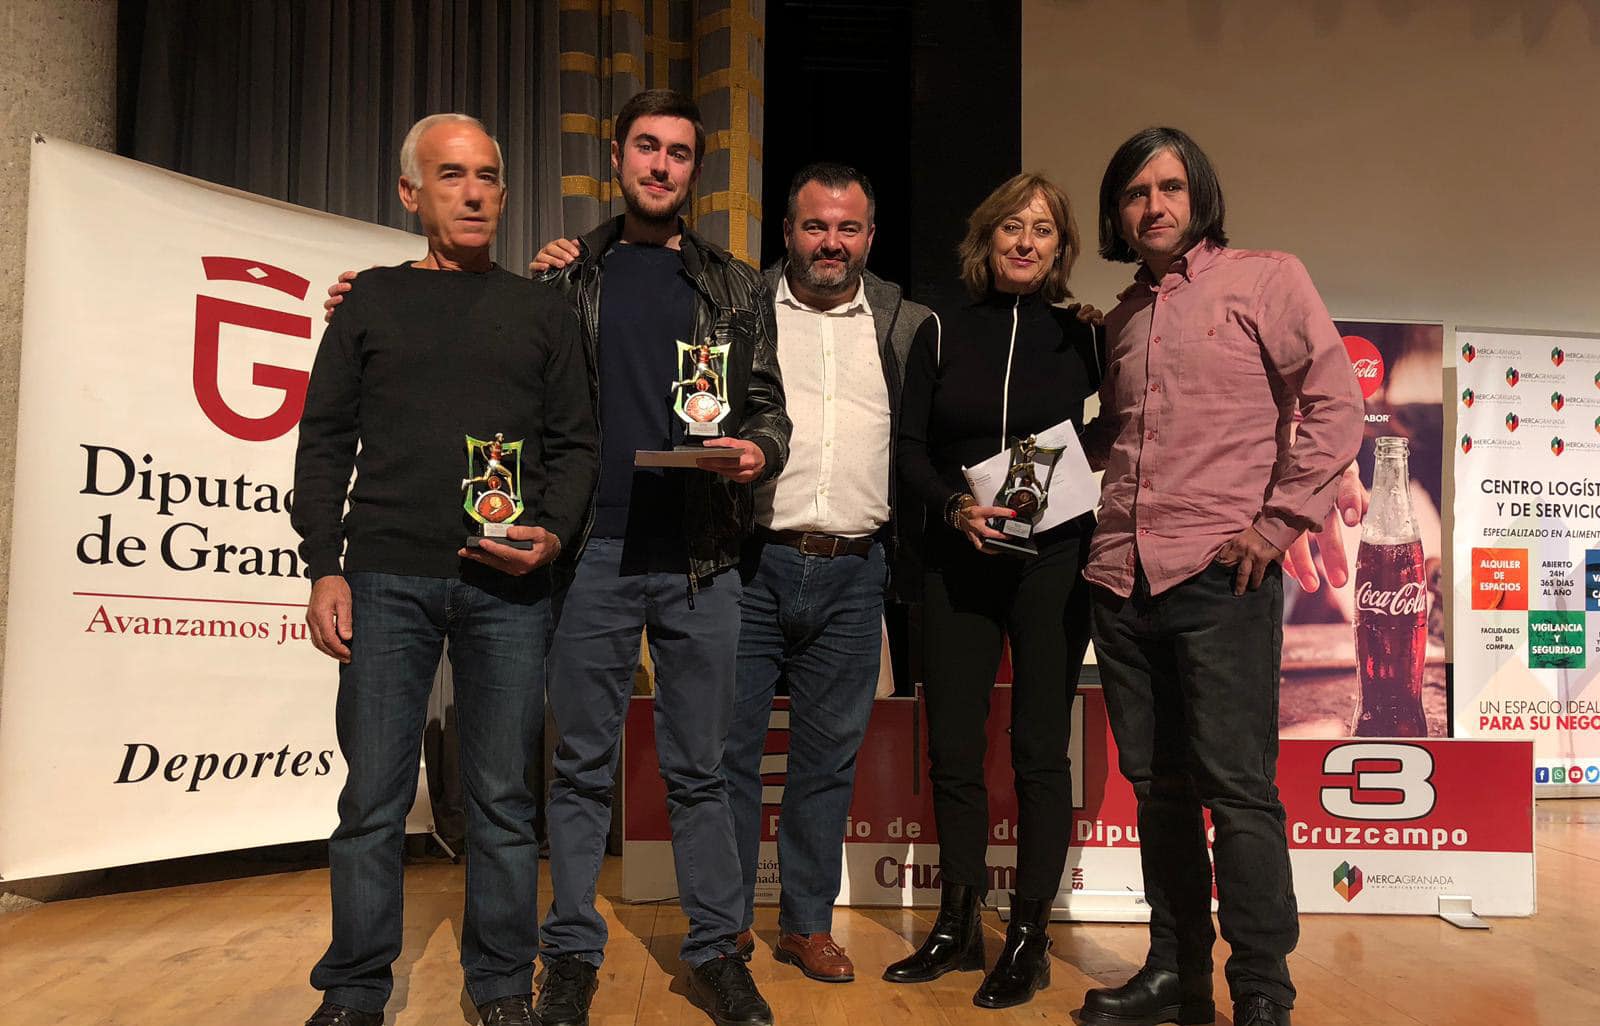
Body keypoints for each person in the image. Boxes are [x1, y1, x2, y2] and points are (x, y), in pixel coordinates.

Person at [532, 160, 932, 986]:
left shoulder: (904, 325)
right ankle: (727, 929)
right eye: (814, 226)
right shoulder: (740, 303)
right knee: (722, 759)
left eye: (848, 228)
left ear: (869, 238)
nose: (831, 241)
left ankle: (805, 924)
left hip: (856, 570)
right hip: (749, 561)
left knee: (827, 764)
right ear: (786, 232)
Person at [292, 113, 597, 1026]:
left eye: (489, 177)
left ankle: (502, 987)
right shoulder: (373, 300)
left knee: (503, 800)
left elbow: (576, 446)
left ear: (505, 192)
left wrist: (551, 534)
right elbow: (324, 439)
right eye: (453, 175)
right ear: (410, 193)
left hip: (509, 587)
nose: (474, 192)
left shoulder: (542, 308)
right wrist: (323, 564)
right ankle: (353, 993)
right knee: (373, 800)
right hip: (383, 577)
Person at [1077, 127, 1364, 1026]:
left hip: (1221, 577)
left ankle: (1261, 992)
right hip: (1122, 583)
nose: (1153, 205)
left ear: (1198, 195)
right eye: (1135, 193)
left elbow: (1334, 404)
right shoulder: (1119, 319)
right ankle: (1177, 974)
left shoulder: (1267, 277)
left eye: (1169, 187)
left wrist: (1277, 527)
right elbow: (1117, 442)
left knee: (1238, 790)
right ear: (1117, 213)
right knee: (1158, 789)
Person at [525, 89, 789, 1026]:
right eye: (646, 147)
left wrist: (761, 451)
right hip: (591, 549)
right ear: (617, 156)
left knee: (703, 767)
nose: (661, 165)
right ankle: (570, 955)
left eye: (680, 153)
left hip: (700, 555)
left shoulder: (735, 285)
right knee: (583, 764)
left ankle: (717, 948)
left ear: (695, 171)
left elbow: (767, 407)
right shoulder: (564, 277)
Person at [886, 172, 1100, 1009]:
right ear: (986, 238)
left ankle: (1030, 936)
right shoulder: (939, 330)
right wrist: (951, 507)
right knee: (953, 749)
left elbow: (1115, 429)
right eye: (1012, 226)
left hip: (1054, 562)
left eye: (1042, 230)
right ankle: (957, 923)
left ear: (1059, 248)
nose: (1025, 241)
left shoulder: (1084, 338)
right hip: (959, 557)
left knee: (1040, 750)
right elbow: (907, 448)